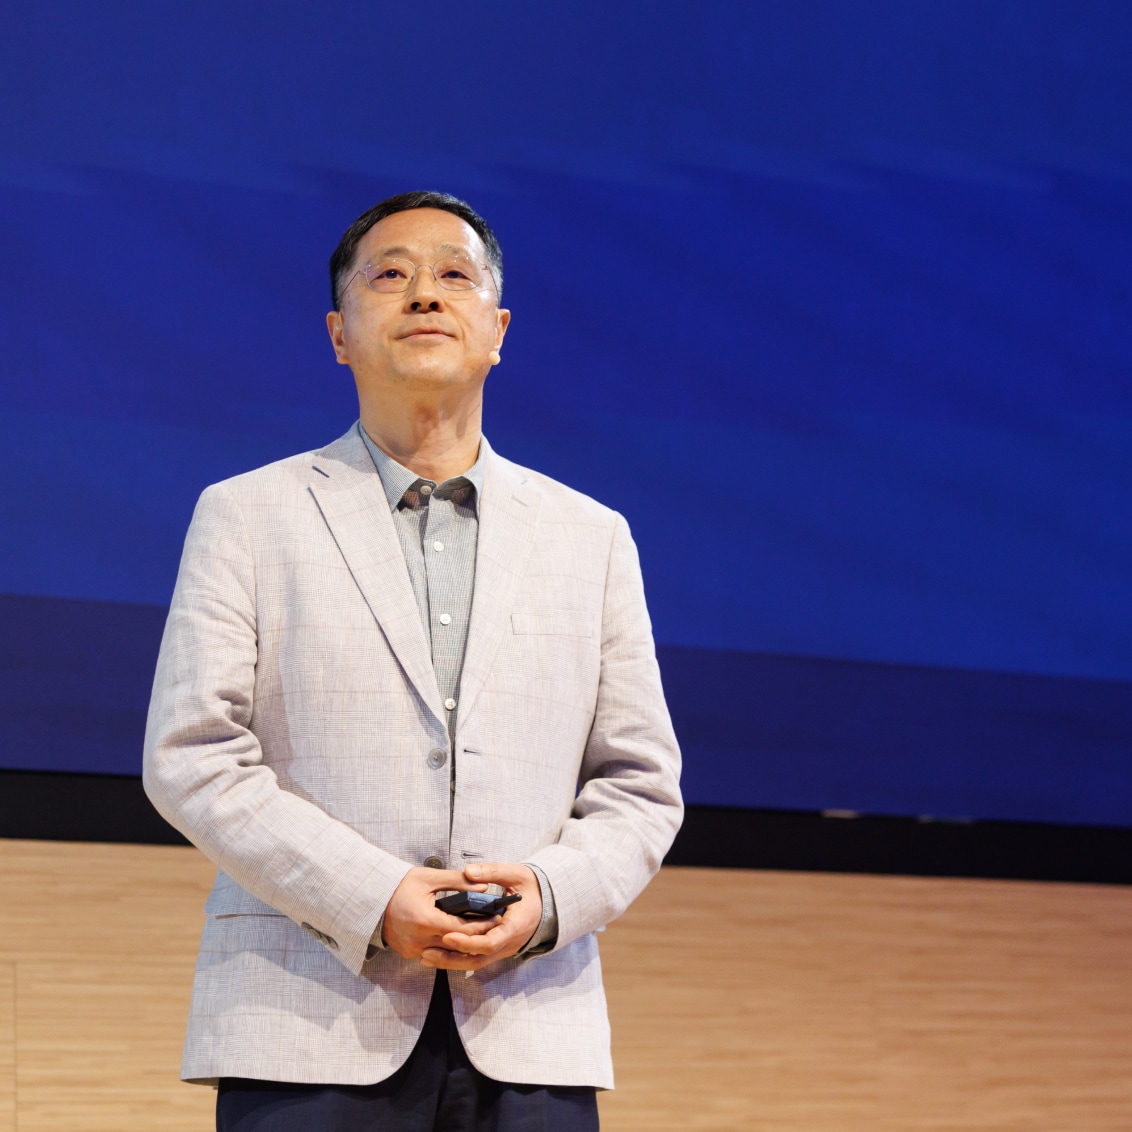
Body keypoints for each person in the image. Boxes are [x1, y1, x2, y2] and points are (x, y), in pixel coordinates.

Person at [143, 190, 683, 1131]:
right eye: (389, 276)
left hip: (532, 1025)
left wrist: (552, 897)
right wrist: (373, 896)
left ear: (498, 329)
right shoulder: (246, 514)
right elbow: (191, 754)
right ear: (338, 333)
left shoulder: (592, 537)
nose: (425, 294)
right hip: (304, 1018)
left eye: (454, 276)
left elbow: (641, 785)